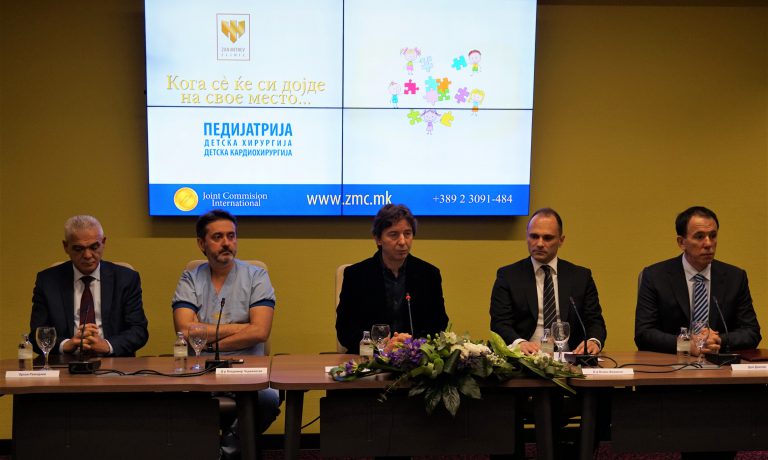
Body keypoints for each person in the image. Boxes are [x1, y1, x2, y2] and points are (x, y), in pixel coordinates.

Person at [172, 209, 279, 437]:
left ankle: (227, 450)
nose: (226, 243)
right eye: (217, 237)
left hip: (247, 368)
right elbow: (184, 330)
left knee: (269, 398)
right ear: (201, 243)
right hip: (200, 368)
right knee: (174, 397)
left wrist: (208, 341)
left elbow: (260, 332)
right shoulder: (190, 278)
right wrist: (243, 327)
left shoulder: (256, 276)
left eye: (231, 236)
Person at [635, 206, 761, 355]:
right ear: (681, 242)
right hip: (672, 362)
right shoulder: (655, 276)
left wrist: (718, 340)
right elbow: (644, 334)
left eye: (713, 236)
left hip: (720, 362)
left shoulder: (735, 277)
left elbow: (751, 332)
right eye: (699, 237)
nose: (708, 243)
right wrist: (686, 345)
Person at [490, 208, 607, 355]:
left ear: (561, 240)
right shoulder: (508, 276)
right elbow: (500, 324)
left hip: (571, 357)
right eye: (534, 236)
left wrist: (593, 341)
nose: (539, 243)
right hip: (526, 358)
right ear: (527, 237)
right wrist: (519, 343)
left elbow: (595, 321)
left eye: (547, 238)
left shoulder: (580, 277)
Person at [29, 215, 149, 357]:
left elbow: (138, 331)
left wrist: (107, 345)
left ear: (103, 242)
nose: (87, 255)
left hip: (113, 361)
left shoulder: (126, 279)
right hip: (65, 362)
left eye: (94, 247)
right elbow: (37, 334)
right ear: (66, 247)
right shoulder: (48, 281)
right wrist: (66, 344)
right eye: (78, 249)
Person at [336, 204, 449, 353]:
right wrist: (382, 348)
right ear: (378, 239)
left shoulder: (428, 274)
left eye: (407, 234)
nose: (402, 241)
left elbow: (439, 324)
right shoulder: (356, 275)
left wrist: (411, 343)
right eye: (394, 235)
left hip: (415, 357)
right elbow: (345, 330)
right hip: (370, 359)